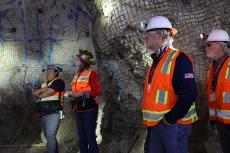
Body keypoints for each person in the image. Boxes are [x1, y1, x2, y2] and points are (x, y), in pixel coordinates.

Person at [141, 16, 198, 153]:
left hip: (173, 125)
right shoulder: (158, 60)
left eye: (148, 35)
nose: (146, 38)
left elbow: (189, 93)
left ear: (160, 35)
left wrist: (169, 119)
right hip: (158, 124)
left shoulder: (179, 59)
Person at [64, 49, 102, 153]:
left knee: (90, 136)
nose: (75, 62)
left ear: (83, 62)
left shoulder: (92, 73)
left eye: (77, 60)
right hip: (79, 108)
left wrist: (80, 94)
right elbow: (76, 90)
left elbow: (97, 91)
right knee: (81, 137)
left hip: (89, 108)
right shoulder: (77, 74)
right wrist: (71, 94)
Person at [205, 29, 230, 153]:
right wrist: (213, 117)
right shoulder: (213, 66)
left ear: (220, 45)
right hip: (221, 120)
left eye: (209, 44)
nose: (206, 47)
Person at [33, 66, 65, 153]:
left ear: (56, 72)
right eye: (48, 71)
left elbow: (45, 94)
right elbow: (34, 92)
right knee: (48, 136)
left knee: (50, 135)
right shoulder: (44, 84)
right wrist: (44, 88)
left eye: (51, 70)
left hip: (54, 112)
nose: (48, 72)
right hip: (43, 113)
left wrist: (40, 93)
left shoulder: (59, 81)